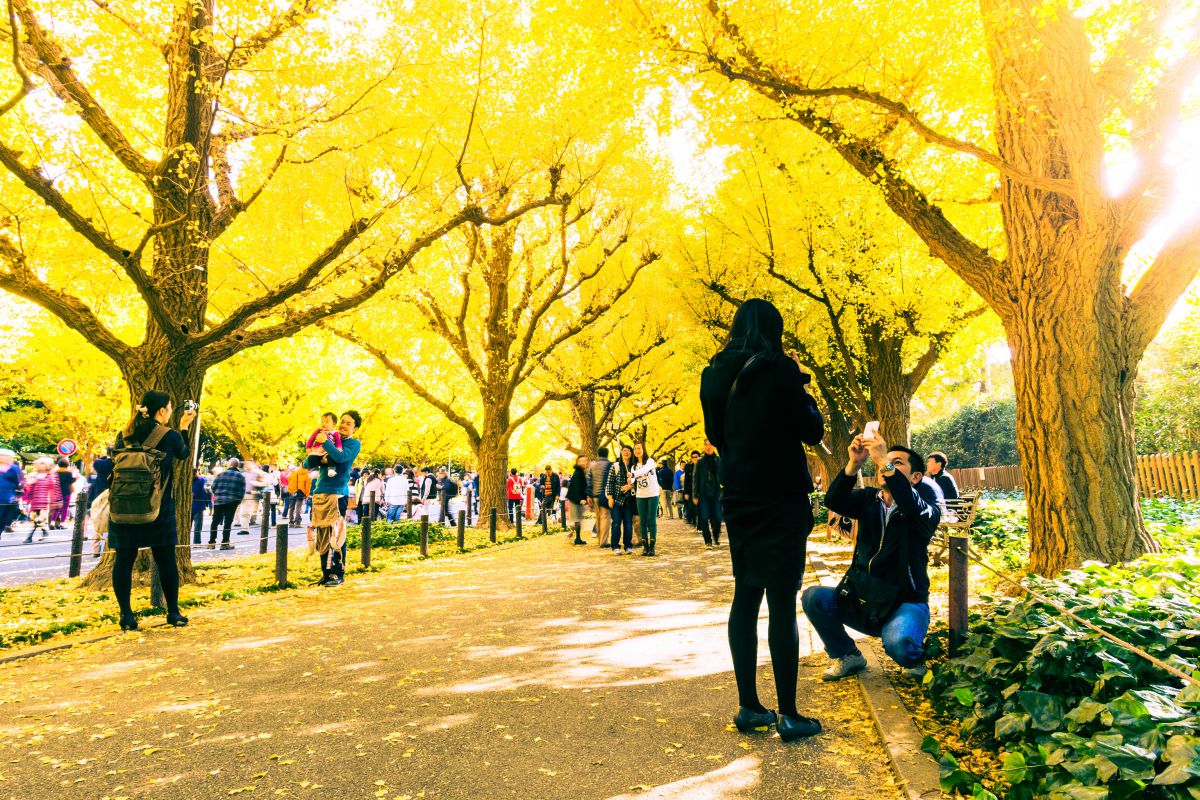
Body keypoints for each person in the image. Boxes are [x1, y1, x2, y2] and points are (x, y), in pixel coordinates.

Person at [699, 297, 826, 742]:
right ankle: (790, 713)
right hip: (782, 498)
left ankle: (749, 707)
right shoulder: (781, 368)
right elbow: (812, 430)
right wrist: (801, 385)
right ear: (775, 330)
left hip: (739, 497)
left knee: (746, 594)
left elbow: (715, 435)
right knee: (781, 601)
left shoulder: (713, 373)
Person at [802, 437, 941, 682]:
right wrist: (853, 464)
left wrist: (881, 460)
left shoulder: (925, 510)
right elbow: (833, 501)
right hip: (864, 597)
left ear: (916, 477)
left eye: (895, 462)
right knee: (814, 598)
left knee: (899, 642)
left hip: (905, 601)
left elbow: (911, 503)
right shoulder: (868, 499)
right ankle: (847, 655)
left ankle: (913, 658)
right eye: (883, 462)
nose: (884, 465)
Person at [107, 390, 196, 630]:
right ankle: (173, 612)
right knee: (166, 560)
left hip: (123, 507)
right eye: (169, 407)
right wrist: (185, 427)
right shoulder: (170, 435)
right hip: (158, 507)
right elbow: (184, 455)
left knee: (123, 560)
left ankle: (126, 615)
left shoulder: (123, 435)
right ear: (162, 411)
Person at [305, 410, 362, 587]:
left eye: (348, 423)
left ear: (356, 428)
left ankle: (338, 573)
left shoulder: (353, 443)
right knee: (321, 533)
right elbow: (307, 462)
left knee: (336, 533)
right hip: (319, 491)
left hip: (338, 492)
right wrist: (319, 456)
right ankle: (326, 573)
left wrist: (325, 444)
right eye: (342, 421)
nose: (343, 425)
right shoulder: (328, 437)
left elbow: (340, 458)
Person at [630, 443, 661, 557]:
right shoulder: (633, 466)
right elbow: (633, 481)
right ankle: (645, 547)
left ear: (643, 449)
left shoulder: (650, 461)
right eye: (635, 449)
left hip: (653, 494)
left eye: (639, 448)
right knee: (642, 521)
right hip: (640, 496)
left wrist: (633, 474)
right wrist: (630, 479)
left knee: (651, 520)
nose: (637, 450)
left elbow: (644, 470)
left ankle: (652, 547)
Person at [605, 445, 635, 555]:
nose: (625, 452)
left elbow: (637, 482)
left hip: (629, 500)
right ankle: (615, 547)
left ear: (631, 453)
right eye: (624, 450)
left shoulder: (634, 467)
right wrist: (610, 497)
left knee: (628, 524)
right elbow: (609, 482)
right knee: (616, 523)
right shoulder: (615, 466)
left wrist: (630, 486)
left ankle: (628, 546)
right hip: (617, 499)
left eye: (628, 450)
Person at [209, 458, 246, 549]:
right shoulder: (240, 476)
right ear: (237, 465)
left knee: (215, 521)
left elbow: (213, 487)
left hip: (219, 501)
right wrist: (238, 501)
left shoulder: (221, 474)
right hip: (231, 501)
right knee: (228, 522)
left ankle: (211, 542)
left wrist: (217, 495)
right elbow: (242, 491)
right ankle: (225, 543)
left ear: (229, 465)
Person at [693, 439, 723, 549]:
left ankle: (716, 535)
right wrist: (695, 495)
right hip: (703, 494)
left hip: (716, 494)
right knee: (704, 518)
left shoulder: (719, 460)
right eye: (706, 445)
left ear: (714, 447)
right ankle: (708, 541)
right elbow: (695, 479)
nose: (708, 447)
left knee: (717, 518)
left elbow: (723, 477)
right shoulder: (700, 462)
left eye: (710, 445)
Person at [21, 458, 59, 543]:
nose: (40, 465)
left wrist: (55, 501)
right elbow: (29, 489)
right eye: (39, 463)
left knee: (38, 519)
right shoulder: (33, 475)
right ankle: (44, 531)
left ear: (47, 465)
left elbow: (54, 488)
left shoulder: (51, 475)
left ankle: (29, 537)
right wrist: (27, 497)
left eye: (42, 463)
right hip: (35, 501)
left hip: (46, 501)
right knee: (36, 519)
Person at [587, 447, 613, 547]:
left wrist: (589, 495)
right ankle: (604, 541)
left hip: (595, 496)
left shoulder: (592, 465)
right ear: (607, 454)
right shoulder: (610, 465)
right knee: (605, 517)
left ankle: (599, 539)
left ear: (598, 454)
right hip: (606, 495)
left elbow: (589, 481)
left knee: (598, 517)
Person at [565, 455, 589, 545]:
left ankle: (575, 536)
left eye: (586, 461)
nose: (584, 462)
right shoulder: (578, 472)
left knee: (578, 519)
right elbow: (576, 487)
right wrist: (581, 499)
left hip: (575, 498)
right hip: (575, 499)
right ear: (578, 462)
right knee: (577, 519)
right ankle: (576, 537)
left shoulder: (580, 471)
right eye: (582, 461)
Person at [0, 449, 24, 537]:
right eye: (1, 455)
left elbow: (19, 482)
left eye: (5, 456)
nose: (3, 457)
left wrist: (18, 494)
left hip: (8, 498)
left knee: (3, 519)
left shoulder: (14, 468)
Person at [51, 456, 75, 529]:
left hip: (57, 492)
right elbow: (71, 481)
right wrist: (75, 477)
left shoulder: (56, 473)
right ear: (67, 465)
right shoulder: (68, 473)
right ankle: (62, 523)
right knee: (65, 508)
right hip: (66, 492)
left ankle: (52, 522)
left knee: (57, 508)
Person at [191, 468, 211, 545]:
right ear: (196, 473)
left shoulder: (187, 481)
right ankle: (196, 542)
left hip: (190, 507)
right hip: (199, 506)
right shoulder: (201, 480)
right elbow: (206, 490)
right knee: (197, 527)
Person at [287, 462, 311, 527]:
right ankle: (297, 522)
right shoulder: (307, 475)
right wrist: (307, 495)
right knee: (298, 508)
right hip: (301, 492)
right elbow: (307, 486)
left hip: (292, 492)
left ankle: (291, 522)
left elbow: (289, 480)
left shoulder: (293, 473)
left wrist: (291, 489)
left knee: (291, 507)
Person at [682, 450, 700, 526]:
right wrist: (686, 492)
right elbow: (686, 481)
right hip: (690, 491)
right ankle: (694, 521)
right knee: (691, 508)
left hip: (701, 491)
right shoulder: (688, 467)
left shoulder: (703, 466)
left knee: (700, 509)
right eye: (693, 457)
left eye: (696, 457)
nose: (694, 458)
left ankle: (699, 524)